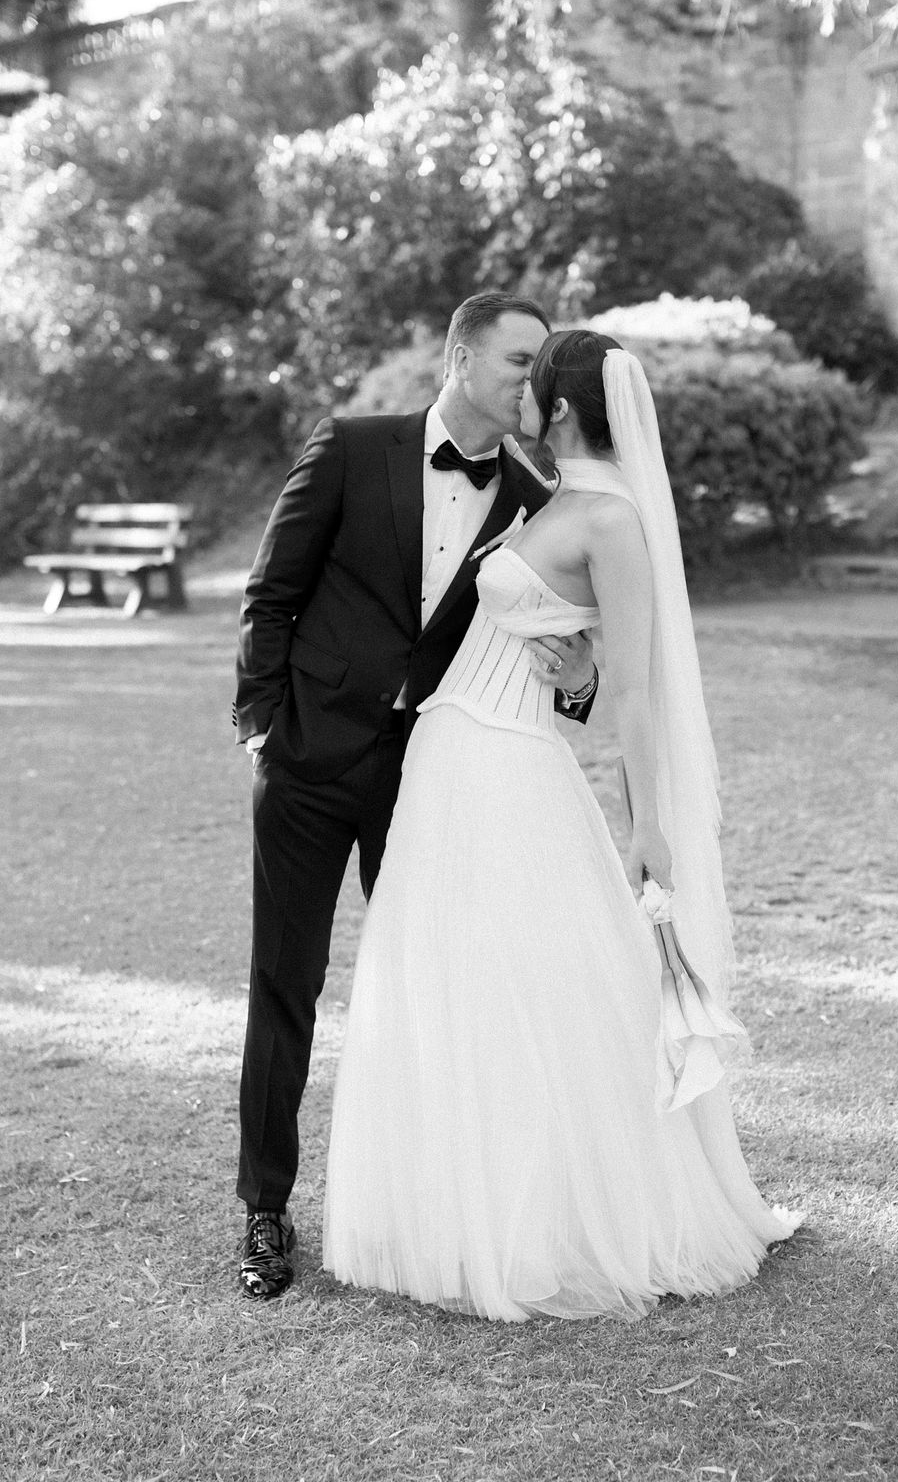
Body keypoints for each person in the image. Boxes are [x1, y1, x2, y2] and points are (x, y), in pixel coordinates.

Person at [321, 329, 801, 1322]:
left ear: (564, 408)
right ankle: (452, 1208)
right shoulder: (558, 503)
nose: (518, 398)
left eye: (532, 385)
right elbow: (559, 650)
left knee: (522, 983)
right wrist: (568, 668)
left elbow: (629, 685)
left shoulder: (612, 523)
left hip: (506, 768)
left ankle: (554, 1219)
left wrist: (646, 823)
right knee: (445, 980)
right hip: (450, 760)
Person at [233, 294, 600, 1298]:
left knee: (437, 993)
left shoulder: (533, 493)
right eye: (518, 362)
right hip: (310, 765)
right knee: (285, 987)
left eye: (537, 367)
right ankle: (264, 1212)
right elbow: (273, 592)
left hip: (431, 776)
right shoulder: (351, 447)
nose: (533, 383)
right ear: (459, 356)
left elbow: (563, 645)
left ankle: (433, 1211)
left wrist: (575, 678)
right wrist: (265, 723)